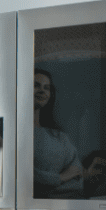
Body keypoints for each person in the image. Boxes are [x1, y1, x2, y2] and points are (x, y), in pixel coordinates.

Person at [33, 68, 86, 199]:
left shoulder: (60, 137)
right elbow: (22, 175)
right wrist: (61, 177)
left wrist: (46, 186)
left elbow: (78, 178)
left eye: (47, 87)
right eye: (36, 85)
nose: (42, 91)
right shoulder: (16, 135)